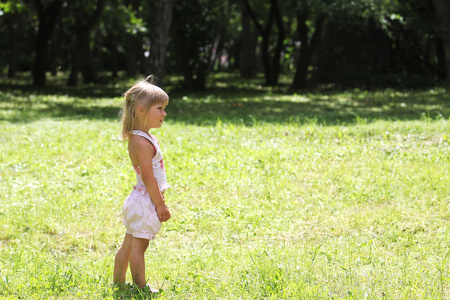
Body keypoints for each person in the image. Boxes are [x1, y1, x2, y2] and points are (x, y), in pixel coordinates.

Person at [113, 76, 171, 291]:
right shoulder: (140, 141)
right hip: (146, 200)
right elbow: (149, 177)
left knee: (128, 246)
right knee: (139, 248)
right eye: (160, 108)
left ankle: (118, 283)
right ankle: (140, 288)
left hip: (139, 199)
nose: (164, 113)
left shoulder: (141, 137)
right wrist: (160, 205)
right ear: (141, 110)